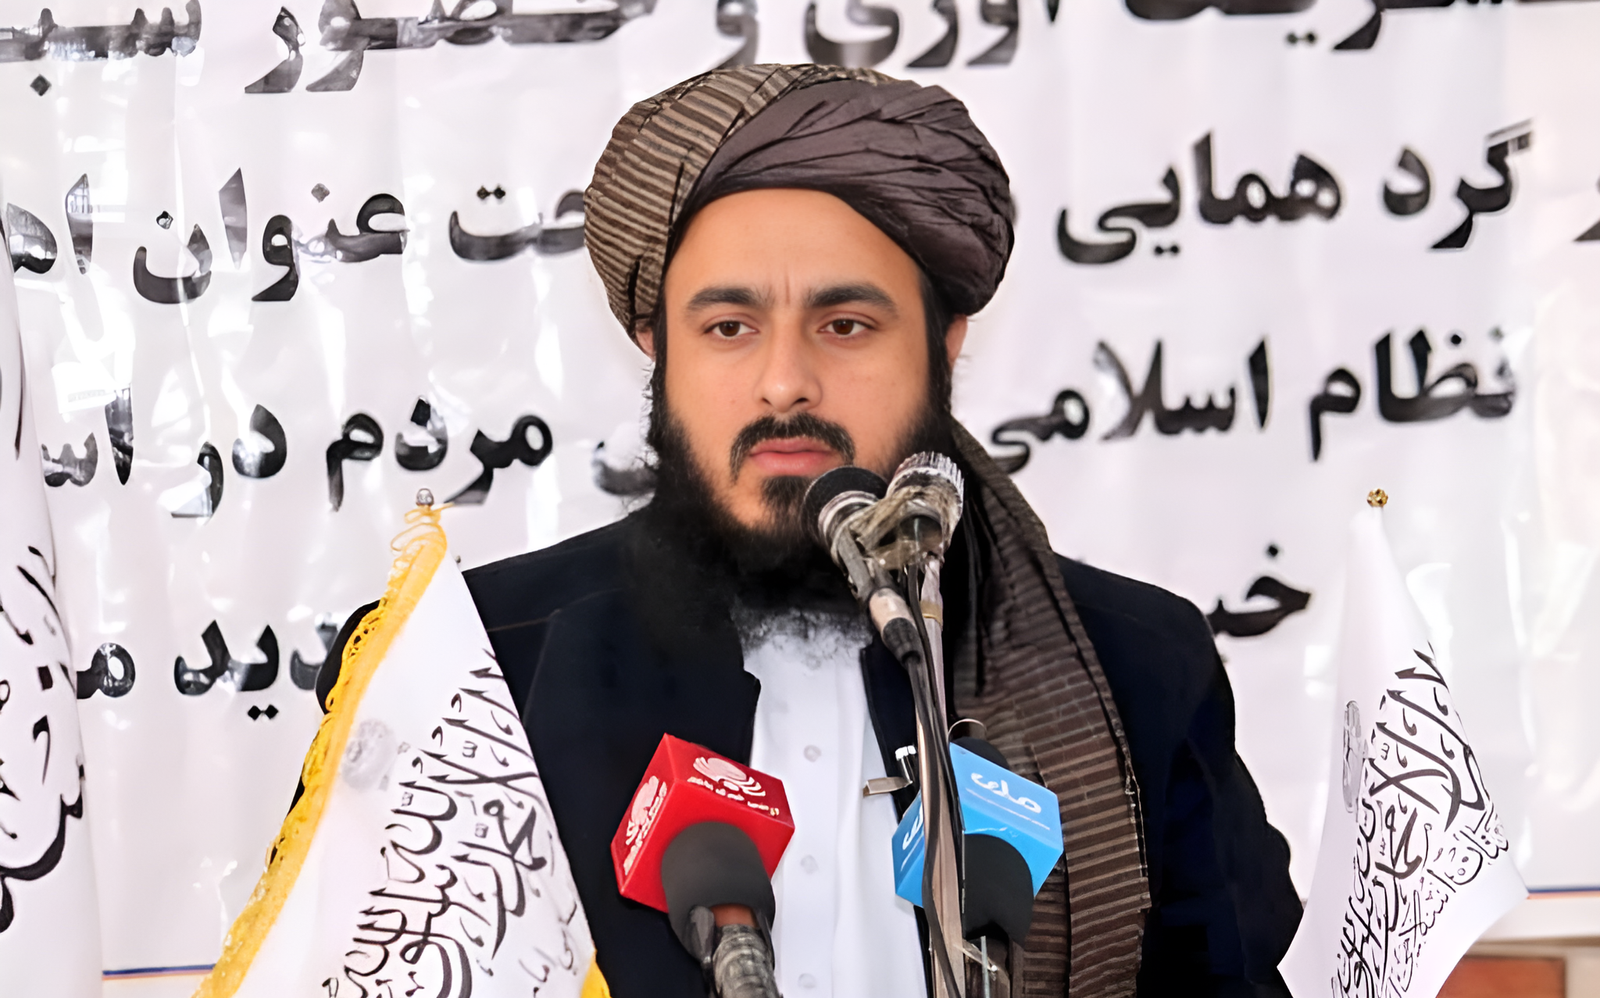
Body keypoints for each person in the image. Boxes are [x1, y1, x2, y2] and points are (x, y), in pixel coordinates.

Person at [460, 65, 1301, 997]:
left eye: (846, 325)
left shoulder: (1134, 669)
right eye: (730, 327)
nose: (785, 383)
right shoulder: (485, 663)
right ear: (658, 348)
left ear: (945, 341)